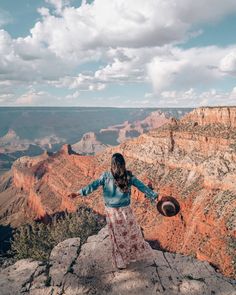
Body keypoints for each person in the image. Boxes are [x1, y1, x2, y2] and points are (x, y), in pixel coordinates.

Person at [68, 153, 159, 270]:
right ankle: (136, 254)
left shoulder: (105, 176)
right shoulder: (129, 177)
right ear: (123, 164)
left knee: (117, 236)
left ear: (112, 165)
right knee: (132, 233)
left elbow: (92, 186)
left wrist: (78, 193)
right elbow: (142, 187)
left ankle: (121, 261)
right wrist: (155, 195)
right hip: (126, 211)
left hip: (112, 212)